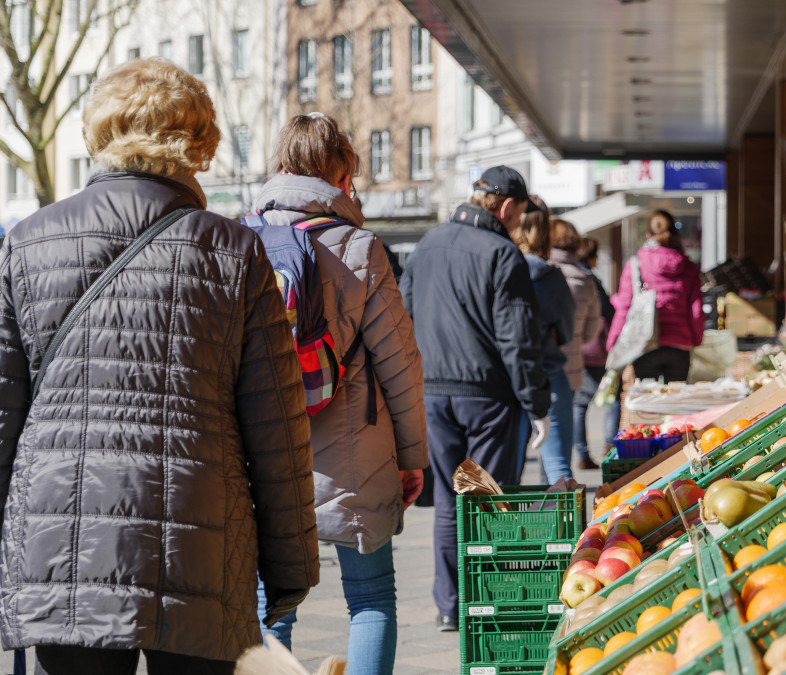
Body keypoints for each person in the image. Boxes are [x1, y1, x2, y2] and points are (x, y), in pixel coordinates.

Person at [0, 59, 319, 675]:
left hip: (60, 549)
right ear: (199, 145)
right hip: (198, 546)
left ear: (100, 134)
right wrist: (288, 570)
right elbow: (278, 430)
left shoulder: (27, 242)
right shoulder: (235, 251)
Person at [248, 113, 428, 675]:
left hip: (263, 452)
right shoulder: (361, 247)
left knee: (267, 609)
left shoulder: (239, 240)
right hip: (357, 451)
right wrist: (413, 457)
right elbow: (400, 364)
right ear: (340, 171)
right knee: (370, 599)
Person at [399, 166, 550, 632]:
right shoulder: (503, 254)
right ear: (505, 206)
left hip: (433, 393)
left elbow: (403, 317)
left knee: (449, 499)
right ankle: (483, 598)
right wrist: (537, 404)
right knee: (485, 499)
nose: (520, 223)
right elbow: (518, 339)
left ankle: (449, 603)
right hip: (487, 398)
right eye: (521, 214)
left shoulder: (427, 245)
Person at [511, 198, 577, 484]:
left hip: (506, 378)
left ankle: (505, 529)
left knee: (502, 476)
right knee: (558, 467)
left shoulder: (496, 267)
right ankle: (566, 529)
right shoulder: (549, 275)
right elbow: (567, 331)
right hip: (548, 372)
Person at [608, 209, 704, 383]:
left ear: (647, 234)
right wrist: (695, 339)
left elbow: (624, 308)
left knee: (647, 403)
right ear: (675, 234)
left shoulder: (635, 264)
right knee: (675, 403)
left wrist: (613, 342)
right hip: (680, 345)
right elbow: (696, 310)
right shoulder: (688, 267)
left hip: (644, 344)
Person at [547, 222, 602, 469]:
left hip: (532, 367)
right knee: (557, 448)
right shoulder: (585, 281)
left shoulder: (536, 272)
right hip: (568, 369)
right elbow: (591, 332)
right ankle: (551, 500)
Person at [574, 237, 620, 462]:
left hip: (578, 348)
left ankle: (582, 452)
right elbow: (609, 314)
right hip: (596, 348)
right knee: (612, 398)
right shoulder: (590, 280)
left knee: (580, 403)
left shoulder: (567, 276)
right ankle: (609, 446)